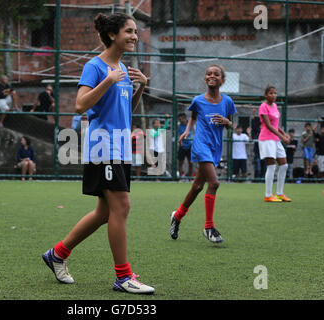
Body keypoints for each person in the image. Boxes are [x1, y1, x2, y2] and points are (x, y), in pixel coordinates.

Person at [42, 13, 154, 294]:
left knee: (105, 212)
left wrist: (140, 86)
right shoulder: (96, 66)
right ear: (113, 35)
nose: (134, 36)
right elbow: (80, 105)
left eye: (135, 32)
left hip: (120, 146)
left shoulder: (123, 69)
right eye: (128, 31)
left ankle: (57, 254)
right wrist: (109, 80)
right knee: (122, 207)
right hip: (103, 147)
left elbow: (125, 112)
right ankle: (123, 277)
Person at [169, 64, 236, 243]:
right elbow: (193, 116)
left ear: (222, 80)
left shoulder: (227, 102)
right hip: (201, 145)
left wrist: (226, 122)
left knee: (198, 187)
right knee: (214, 183)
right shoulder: (198, 100)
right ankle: (208, 227)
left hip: (215, 147)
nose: (211, 76)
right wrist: (187, 131)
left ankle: (177, 216)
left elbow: (231, 124)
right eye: (208, 74)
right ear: (205, 78)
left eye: (216, 74)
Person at [257, 85, 291, 202]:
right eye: (271, 93)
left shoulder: (275, 106)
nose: (274, 95)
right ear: (266, 95)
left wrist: (284, 133)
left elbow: (276, 125)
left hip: (275, 139)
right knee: (271, 165)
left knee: (284, 165)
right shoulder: (263, 106)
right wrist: (282, 137)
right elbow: (268, 125)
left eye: (275, 93)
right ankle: (268, 195)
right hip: (266, 139)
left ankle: (280, 193)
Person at [177, 113, 194, 178]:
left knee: (191, 162)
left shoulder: (190, 124)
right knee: (180, 162)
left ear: (185, 118)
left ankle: (190, 176)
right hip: (182, 145)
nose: (180, 120)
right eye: (179, 119)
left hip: (189, 145)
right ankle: (181, 176)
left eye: (181, 119)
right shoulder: (178, 126)